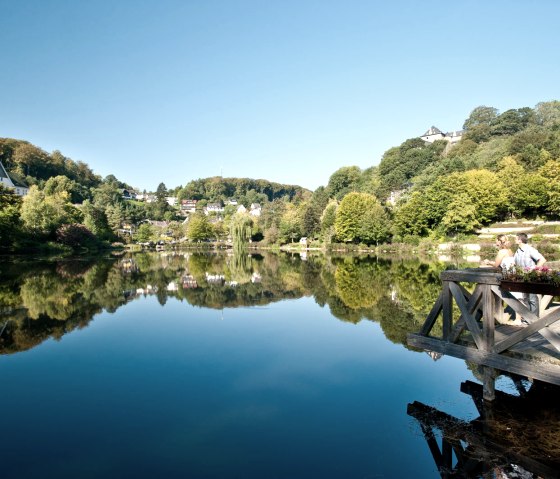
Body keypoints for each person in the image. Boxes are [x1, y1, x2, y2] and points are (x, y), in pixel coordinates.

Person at [514, 232, 546, 314]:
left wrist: (534, 270)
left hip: (531, 278)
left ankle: (535, 319)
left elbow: (542, 260)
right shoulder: (518, 251)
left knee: (532, 298)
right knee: (525, 298)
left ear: (520, 240)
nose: (514, 240)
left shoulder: (530, 249)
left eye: (516, 238)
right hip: (522, 278)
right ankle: (528, 318)